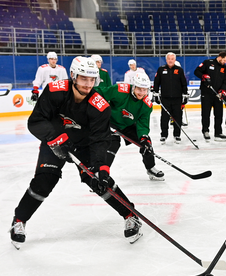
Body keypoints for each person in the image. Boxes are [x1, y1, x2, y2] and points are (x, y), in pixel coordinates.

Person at [10, 56, 143, 250]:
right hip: (55, 140)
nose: (88, 84)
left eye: (92, 79)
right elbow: (35, 122)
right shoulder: (55, 91)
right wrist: (56, 138)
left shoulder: (100, 105)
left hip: (84, 145)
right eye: (83, 78)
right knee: (44, 181)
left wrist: (101, 167)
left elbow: (100, 139)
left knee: (98, 180)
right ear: (73, 76)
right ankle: (19, 220)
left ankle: (131, 215)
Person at [95, 72, 164, 181]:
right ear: (133, 87)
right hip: (110, 122)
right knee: (113, 144)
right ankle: (102, 173)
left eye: (144, 89)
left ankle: (150, 167)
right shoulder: (119, 90)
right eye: (139, 89)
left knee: (146, 144)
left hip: (127, 125)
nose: (142, 92)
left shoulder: (146, 104)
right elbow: (100, 94)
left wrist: (144, 138)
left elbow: (143, 124)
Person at [152, 52, 188, 144]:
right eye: (169, 59)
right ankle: (164, 135)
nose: (171, 60)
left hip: (177, 98)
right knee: (164, 117)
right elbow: (156, 82)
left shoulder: (179, 70)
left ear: (175, 60)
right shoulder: (161, 69)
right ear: (166, 60)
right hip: (165, 98)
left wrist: (185, 94)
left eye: (172, 59)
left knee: (177, 117)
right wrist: (155, 93)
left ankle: (177, 135)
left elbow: (184, 83)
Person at [194, 51, 226, 141]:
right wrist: (203, 76)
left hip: (218, 95)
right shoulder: (208, 63)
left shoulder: (224, 68)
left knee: (219, 114)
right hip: (206, 93)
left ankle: (218, 132)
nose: (225, 62)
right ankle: (205, 131)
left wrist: (223, 91)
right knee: (206, 113)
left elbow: (225, 81)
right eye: (224, 60)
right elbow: (196, 71)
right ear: (220, 57)